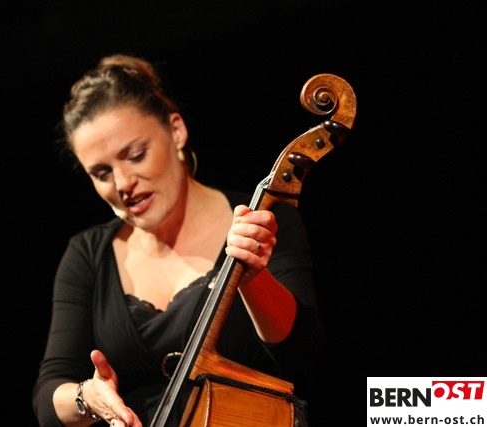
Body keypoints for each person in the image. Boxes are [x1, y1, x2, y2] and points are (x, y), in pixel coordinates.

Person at [32, 53, 324, 427]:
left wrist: (253, 279)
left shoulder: (264, 220)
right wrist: (86, 397)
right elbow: (49, 395)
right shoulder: (88, 253)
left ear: (176, 131)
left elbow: (305, 357)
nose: (123, 184)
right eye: (102, 173)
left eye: (136, 155)